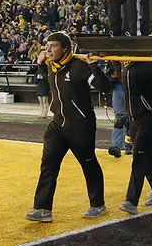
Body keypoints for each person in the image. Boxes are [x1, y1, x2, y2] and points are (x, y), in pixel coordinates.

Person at [25, 32, 107, 222]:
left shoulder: (80, 68)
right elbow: (48, 77)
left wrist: (94, 66)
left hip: (81, 126)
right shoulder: (52, 67)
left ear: (65, 48)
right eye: (47, 46)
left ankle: (98, 204)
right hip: (57, 124)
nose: (48, 50)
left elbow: (104, 87)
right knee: (48, 165)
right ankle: (43, 208)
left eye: (53, 46)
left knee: (88, 164)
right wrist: (39, 64)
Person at [109, 61, 152, 214]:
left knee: (139, 156)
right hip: (135, 117)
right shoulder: (125, 64)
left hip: (151, 116)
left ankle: (131, 200)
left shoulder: (149, 62)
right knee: (150, 155)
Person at [106, 70, 132, 158]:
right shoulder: (112, 58)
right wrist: (111, 76)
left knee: (130, 119)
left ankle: (129, 146)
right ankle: (116, 146)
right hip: (118, 89)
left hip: (132, 89)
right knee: (119, 119)